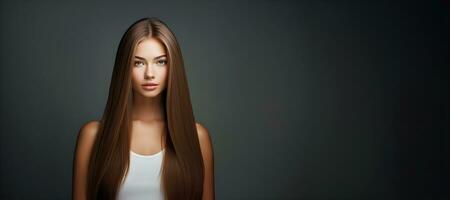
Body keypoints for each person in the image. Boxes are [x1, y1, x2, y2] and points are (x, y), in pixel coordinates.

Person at [72, 17, 215, 200]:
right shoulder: (93, 137)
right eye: (138, 62)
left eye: (160, 62)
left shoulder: (197, 137)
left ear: (173, 66)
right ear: (124, 68)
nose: (149, 73)